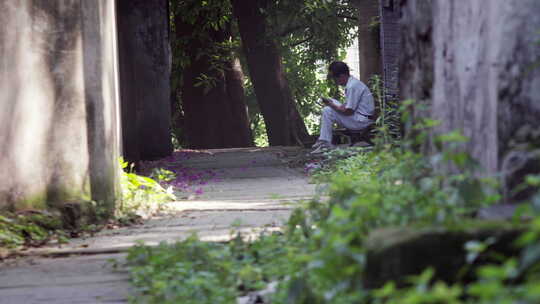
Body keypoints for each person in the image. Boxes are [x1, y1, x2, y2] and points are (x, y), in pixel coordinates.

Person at [311, 61, 375, 154]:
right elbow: (347, 106)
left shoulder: (352, 86)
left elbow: (348, 112)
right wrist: (332, 103)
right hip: (360, 116)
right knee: (332, 102)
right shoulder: (353, 82)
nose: (335, 82)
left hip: (361, 121)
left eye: (335, 79)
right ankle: (324, 140)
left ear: (341, 76)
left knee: (327, 110)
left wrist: (330, 105)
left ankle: (325, 143)